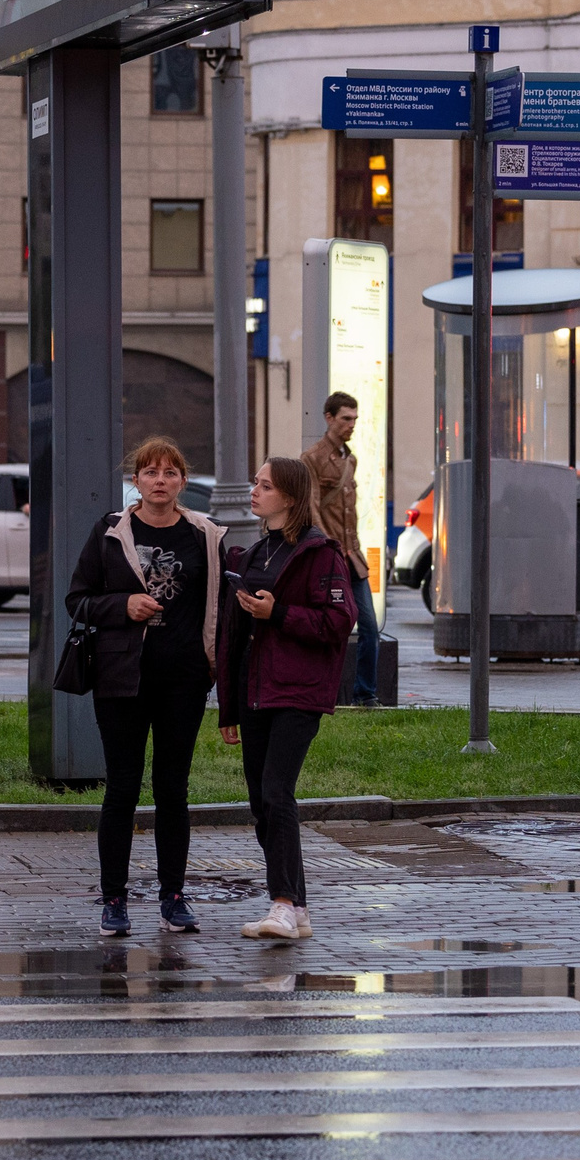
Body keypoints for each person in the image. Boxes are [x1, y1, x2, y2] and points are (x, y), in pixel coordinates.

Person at [66, 435, 226, 938]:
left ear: (183, 481)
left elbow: (217, 605)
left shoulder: (205, 534)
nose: (160, 481)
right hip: (121, 679)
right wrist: (123, 606)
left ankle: (173, 897)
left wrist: (215, 667)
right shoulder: (111, 531)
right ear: (136, 481)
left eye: (170, 472)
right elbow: (78, 598)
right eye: (150, 472)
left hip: (183, 680)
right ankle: (113, 899)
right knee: (122, 788)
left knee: (173, 790)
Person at [216, 456, 355, 942]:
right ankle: (296, 909)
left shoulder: (320, 554)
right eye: (254, 481)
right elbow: (235, 636)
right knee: (262, 800)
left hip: (297, 691)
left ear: (291, 497)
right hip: (256, 693)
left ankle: (281, 904)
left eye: (265, 485)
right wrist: (227, 706)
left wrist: (279, 613)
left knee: (277, 792)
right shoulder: (256, 553)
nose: (254, 490)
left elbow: (339, 622)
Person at [301, 391, 380, 708]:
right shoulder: (312, 458)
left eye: (355, 419)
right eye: (346, 418)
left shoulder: (351, 459)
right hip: (330, 557)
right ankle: (320, 691)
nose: (351, 425)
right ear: (329, 418)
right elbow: (312, 508)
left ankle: (366, 694)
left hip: (354, 558)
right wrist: (324, 547)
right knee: (328, 628)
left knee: (370, 628)